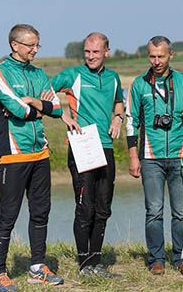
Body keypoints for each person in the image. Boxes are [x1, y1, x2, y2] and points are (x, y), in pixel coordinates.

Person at [0, 24, 64, 291]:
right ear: (15, 45)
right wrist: (34, 107)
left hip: (40, 153)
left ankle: (37, 268)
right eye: (31, 45)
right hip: (13, 155)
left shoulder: (40, 73)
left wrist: (33, 101)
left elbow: (56, 108)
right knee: (8, 215)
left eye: (37, 45)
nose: (35, 50)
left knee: (41, 212)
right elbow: (17, 110)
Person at [51, 32, 124, 278]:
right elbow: (45, 91)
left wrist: (118, 117)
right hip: (81, 146)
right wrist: (63, 115)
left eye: (95, 52)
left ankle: (96, 262)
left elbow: (119, 102)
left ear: (107, 52)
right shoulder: (73, 75)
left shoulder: (113, 77)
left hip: (106, 148)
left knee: (103, 209)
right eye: (87, 52)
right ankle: (84, 266)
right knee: (85, 208)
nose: (91, 56)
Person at [126, 36, 183, 276]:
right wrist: (133, 155)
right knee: (154, 211)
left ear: (171, 55)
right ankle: (156, 259)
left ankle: (182, 258)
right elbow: (131, 122)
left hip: (180, 155)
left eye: (161, 56)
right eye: (152, 56)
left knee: (181, 212)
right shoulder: (139, 84)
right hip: (151, 157)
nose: (156, 61)